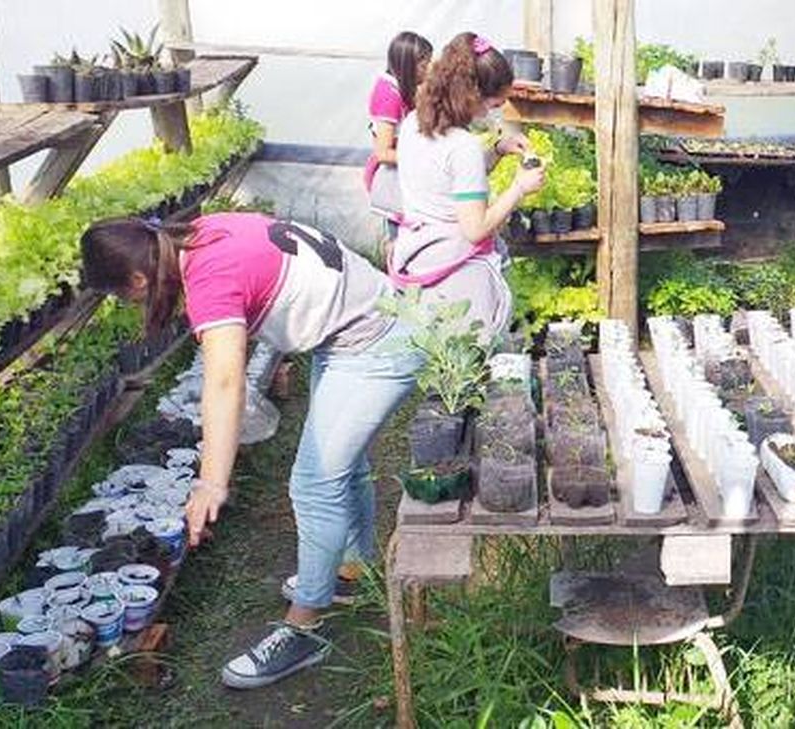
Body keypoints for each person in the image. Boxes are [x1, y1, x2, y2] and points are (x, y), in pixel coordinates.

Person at [79, 212, 422, 689]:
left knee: (315, 482)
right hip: (371, 317)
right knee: (345, 465)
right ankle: (352, 572)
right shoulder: (204, 232)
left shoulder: (209, 279)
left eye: (124, 296)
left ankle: (305, 630)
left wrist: (211, 482)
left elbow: (225, 382)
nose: (131, 303)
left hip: (374, 342)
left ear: (137, 278)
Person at [392, 32, 544, 345]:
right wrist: (519, 187)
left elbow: (445, 180)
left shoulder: (414, 124)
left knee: (436, 367)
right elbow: (475, 229)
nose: (492, 113)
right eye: (493, 103)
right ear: (472, 94)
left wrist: (498, 150)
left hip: (419, 259)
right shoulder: (463, 147)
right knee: (469, 368)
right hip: (456, 278)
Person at [365, 31, 433, 244]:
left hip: (403, 179)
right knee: (401, 246)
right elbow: (383, 153)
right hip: (392, 183)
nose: (428, 69)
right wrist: (425, 158)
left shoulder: (402, 88)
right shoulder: (388, 94)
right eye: (424, 64)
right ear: (408, 65)